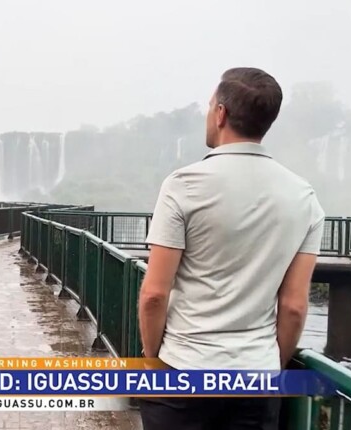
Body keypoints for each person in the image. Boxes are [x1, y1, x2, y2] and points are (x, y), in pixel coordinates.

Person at [137, 67, 325, 430]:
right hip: (255, 379)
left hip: (183, 371)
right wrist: (272, 363)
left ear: (221, 114)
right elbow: (294, 307)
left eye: (210, 107)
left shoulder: (183, 186)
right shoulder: (304, 197)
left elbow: (154, 295)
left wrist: (151, 360)